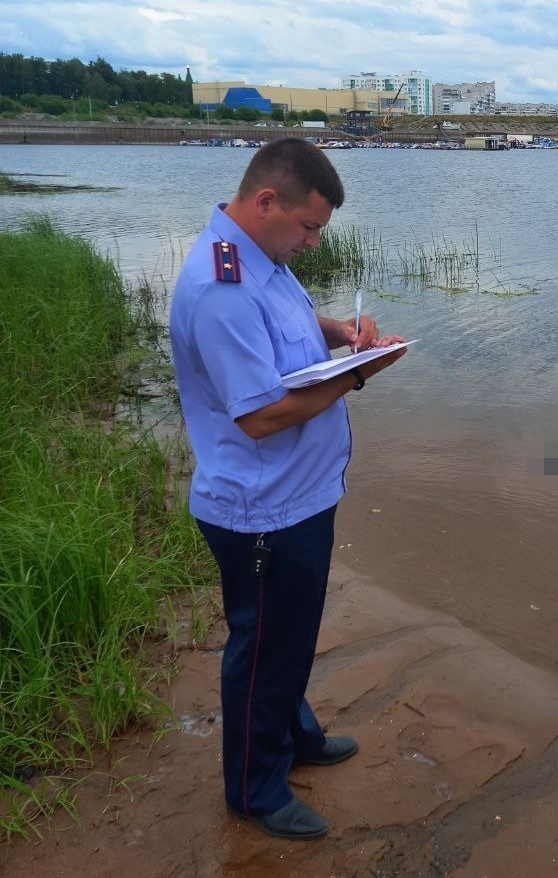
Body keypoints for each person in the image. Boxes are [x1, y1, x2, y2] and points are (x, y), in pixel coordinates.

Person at [169, 137, 406, 840]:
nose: (311, 242)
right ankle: (253, 790)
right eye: (308, 227)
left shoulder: (260, 256)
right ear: (267, 200)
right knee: (265, 647)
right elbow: (261, 414)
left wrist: (342, 334)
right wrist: (361, 374)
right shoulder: (220, 286)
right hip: (261, 510)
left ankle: (294, 733)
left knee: (289, 639)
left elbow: (289, 329)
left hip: (297, 497)